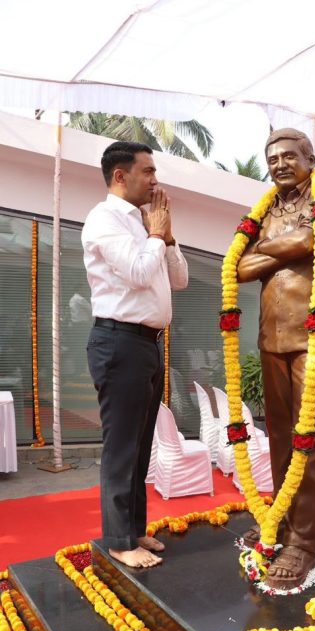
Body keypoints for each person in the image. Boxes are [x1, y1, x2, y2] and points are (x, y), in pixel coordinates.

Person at [237, 128, 315, 589]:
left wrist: (266, 248)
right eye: (272, 159)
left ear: (310, 158)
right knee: (280, 436)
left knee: (312, 438)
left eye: (289, 156)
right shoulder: (266, 210)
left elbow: (310, 242)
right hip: (273, 335)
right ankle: (282, 522)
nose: (280, 164)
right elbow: (240, 267)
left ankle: (304, 542)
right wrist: (285, 244)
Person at [82, 141, 188, 568]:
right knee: (122, 446)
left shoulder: (148, 222)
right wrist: (156, 236)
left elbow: (178, 279)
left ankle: (134, 529)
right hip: (119, 342)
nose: (155, 180)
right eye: (148, 171)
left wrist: (167, 235)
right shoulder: (103, 219)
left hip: (147, 344)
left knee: (142, 446)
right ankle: (118, 541)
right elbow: (140, 273)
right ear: (120, 176)